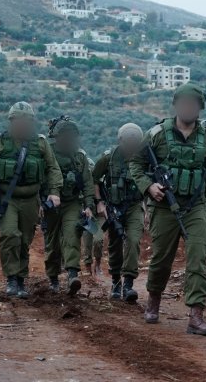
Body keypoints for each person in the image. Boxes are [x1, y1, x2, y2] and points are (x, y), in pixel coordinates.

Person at [129, 82, 206, 336]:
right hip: (165, 206)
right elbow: (136, 165)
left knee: (198, 258)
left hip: (196, 206)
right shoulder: (157, 134)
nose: (188, 107)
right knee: (161, 259)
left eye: (193, 103)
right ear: (176, 105)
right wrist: (149, 187)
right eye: (184, 103)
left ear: (199, 108)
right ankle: (154, 301)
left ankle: (196, 315)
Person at [0, 102, 62, 298]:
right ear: (11, 122)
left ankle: (21, 279)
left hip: (31, 199)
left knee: (24, 240)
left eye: (26, 121)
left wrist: (54, 192)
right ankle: (12, 278)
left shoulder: (40, 143)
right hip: (7, 199)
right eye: (18, 121)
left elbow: (53, 168)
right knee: (10, 234)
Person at [42, 117, 96, 295]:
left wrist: (89, 205)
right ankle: (53, 277)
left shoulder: (79, 157)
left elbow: (88, 183)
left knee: (72, 233)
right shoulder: (47, 154)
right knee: (52, 242)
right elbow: (38, 179)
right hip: (50, 203)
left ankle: (72, 273)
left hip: (72, 202)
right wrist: (39, 203)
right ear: (57, 137)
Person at [92, 123, 145, 302]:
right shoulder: (109, 158)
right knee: (115, 244)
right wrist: (99, 202)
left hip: (135, 206)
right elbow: (94, 179)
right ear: (121, 140)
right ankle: (116, 281)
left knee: (133, 239)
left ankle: (128, 283)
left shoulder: (144, 158)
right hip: (113, 207)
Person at [81, 156, 104, 278]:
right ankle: (88, 266)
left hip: (99, 214)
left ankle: (98, 264)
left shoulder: (101, 182)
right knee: (87, 242)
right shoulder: (82, 183)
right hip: (87, 213)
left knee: (98, 240)